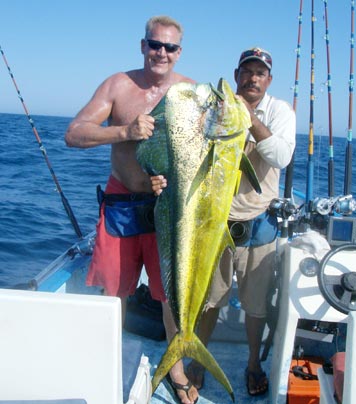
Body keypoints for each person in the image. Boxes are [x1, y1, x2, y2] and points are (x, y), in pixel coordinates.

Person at [65, 16, 198, 404]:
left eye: (169, 47)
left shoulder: (190, 92)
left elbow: (202, 154)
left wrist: (172, 181)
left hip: (167, 209)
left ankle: (176, 370)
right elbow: (74, 133)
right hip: (121, 202)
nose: (161, 53)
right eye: (154, 44)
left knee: (171, 295)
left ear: (179, 53)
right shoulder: (118, 85)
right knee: (115, 292)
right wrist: (124, 131)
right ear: (142, 46)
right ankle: (104, 361)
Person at [152, 47, 296, 397]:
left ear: (269, 80)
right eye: (247, 72)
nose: (253, 78)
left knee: (255, 304)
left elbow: (281, 155)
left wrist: (247, 118)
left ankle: (252, 363)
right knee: (209, 300)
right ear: (237, 75)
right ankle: (196, 356)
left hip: (258, 221)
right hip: (214, 222)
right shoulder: (218, 107)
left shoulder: (279, 111)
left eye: (260, 73)